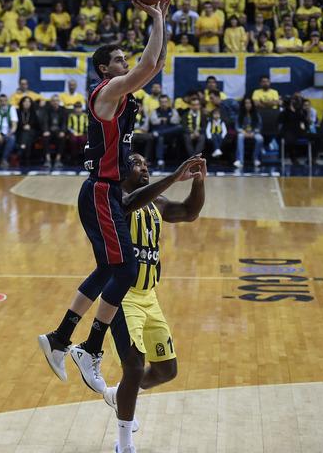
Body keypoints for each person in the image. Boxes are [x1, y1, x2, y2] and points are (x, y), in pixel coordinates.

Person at [37, 0, 202, 397]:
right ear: (103, 69)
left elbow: (154, 64)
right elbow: (146, 66)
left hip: (103, 191)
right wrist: (155, 17)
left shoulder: (123, 94)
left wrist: (162, 20)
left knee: (108, 270)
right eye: (118, 60)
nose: (126, 64)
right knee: (125, 271)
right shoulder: (106, 92)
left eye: (125, 60)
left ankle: (59, 338)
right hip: (100, 191)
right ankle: (90, 348)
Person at [102, 153, 206, 453]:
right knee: (134, 367)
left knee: (166, 370)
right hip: (123, 297)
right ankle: (124, 443)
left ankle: (119, 395)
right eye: (137, 164)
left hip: (149, 296)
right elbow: (130, 202)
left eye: (147, 164)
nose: (145, 167)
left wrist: (199, 181)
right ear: (122, 171)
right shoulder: (116, 200)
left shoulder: (155, 204)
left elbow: (189, 212)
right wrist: (174, 177)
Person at [235, 97, 264, 168]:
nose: (248, 105)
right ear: (243, 105)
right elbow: (237, 126)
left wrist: (253, 133)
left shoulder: (256, 114)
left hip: (254, 133)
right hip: (243, 132)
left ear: (252, 104)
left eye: (249, 103)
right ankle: (240, 160)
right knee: (240, 136)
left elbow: (259, 126)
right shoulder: (240, 114)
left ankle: (255, 158)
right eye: (246, 103)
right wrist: (243, 132)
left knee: (260, 139)